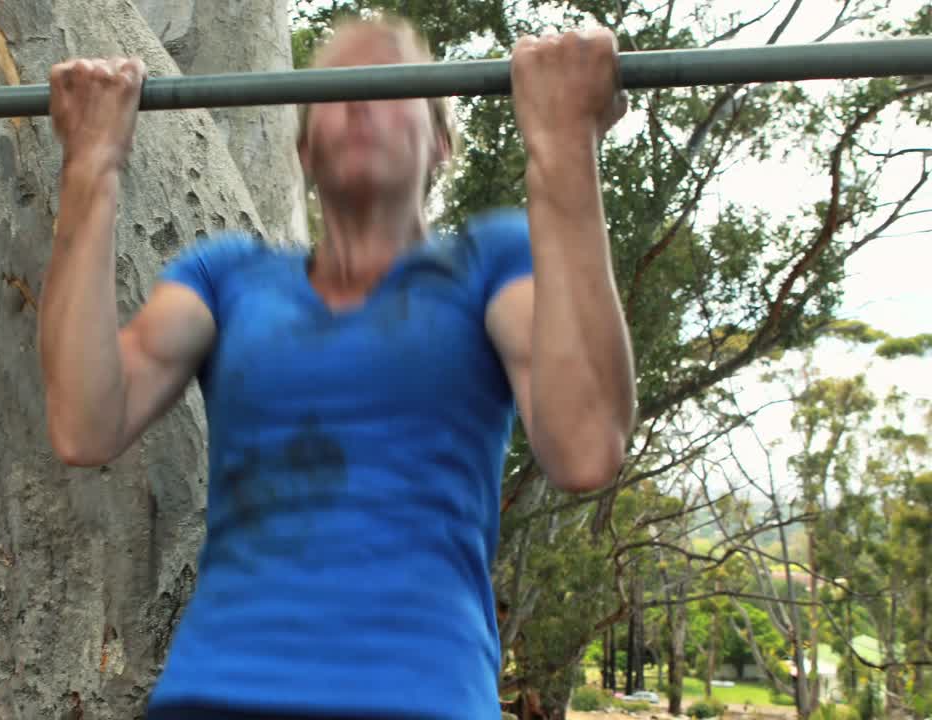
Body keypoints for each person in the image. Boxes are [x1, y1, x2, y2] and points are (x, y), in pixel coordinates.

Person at [39, 13, 637, 720]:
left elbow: (587, 443)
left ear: (440, 143)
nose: (358, 101)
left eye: (388, 85)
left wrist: (565, 146)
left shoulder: (490, 265)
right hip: (211, 698)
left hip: (422, 700)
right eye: (335, 90)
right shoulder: (225, 277)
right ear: (302, 149)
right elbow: (83, 423)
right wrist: (90, 165)